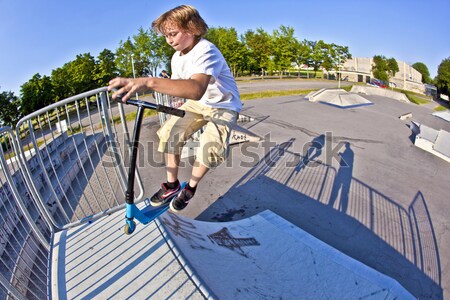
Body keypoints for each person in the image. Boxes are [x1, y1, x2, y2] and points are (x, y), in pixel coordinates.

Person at [108, 5, 242, 213]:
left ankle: (190, 188)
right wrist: (178, 99)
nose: (169, 40)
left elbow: (196, 88)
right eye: (165, 36)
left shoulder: (206, 50)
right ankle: (171, 186)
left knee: (209, 148)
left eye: (173, 34)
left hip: (223, 105)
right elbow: (183, 86)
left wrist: (149, 82)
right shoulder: (176, 57)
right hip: (198, 104)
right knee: (170, 133)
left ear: (192, 28)